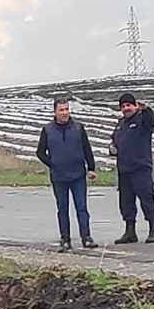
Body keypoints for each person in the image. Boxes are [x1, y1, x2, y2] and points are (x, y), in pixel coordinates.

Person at [35, 99, 98, 252]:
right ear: (55, 112)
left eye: (67, 109)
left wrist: (91, 168)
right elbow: (40, 152)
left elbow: (87, 148)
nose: (65, 113)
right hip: (59, 177)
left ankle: (86, 238)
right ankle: (65, 239)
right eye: (61, 110)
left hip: (78, 175)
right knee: (62, 209)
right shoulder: (47, 130)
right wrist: (53, 164)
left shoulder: (78, 128)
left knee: (81, 207)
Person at [111, 92, 154, 244]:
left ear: (135, 106)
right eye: (123, 106)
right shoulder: (120, 124)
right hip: (124, 171)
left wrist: (146, 109)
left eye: (129, 105)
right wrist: (112, 147)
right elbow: (114, 140)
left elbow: (152, 120)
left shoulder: (142, 120)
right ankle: (130, 232)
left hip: (141, 168)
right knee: (126, 203)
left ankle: (153, 230)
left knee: (147, 199)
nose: (126, 108)